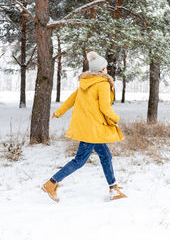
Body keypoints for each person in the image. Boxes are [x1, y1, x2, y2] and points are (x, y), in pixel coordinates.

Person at [42, 51, 126, 202]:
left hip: (90, 128)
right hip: (93, 129)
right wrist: (116, 119)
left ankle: (113, 188)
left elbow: (70, 100)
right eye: (105, 67)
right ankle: (51, 183)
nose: (107, 69)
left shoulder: (84, 83)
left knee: (106, 156)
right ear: (101, 70)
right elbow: (105, 108)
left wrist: (58, 113)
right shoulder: (103, 84)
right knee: (79, 161)